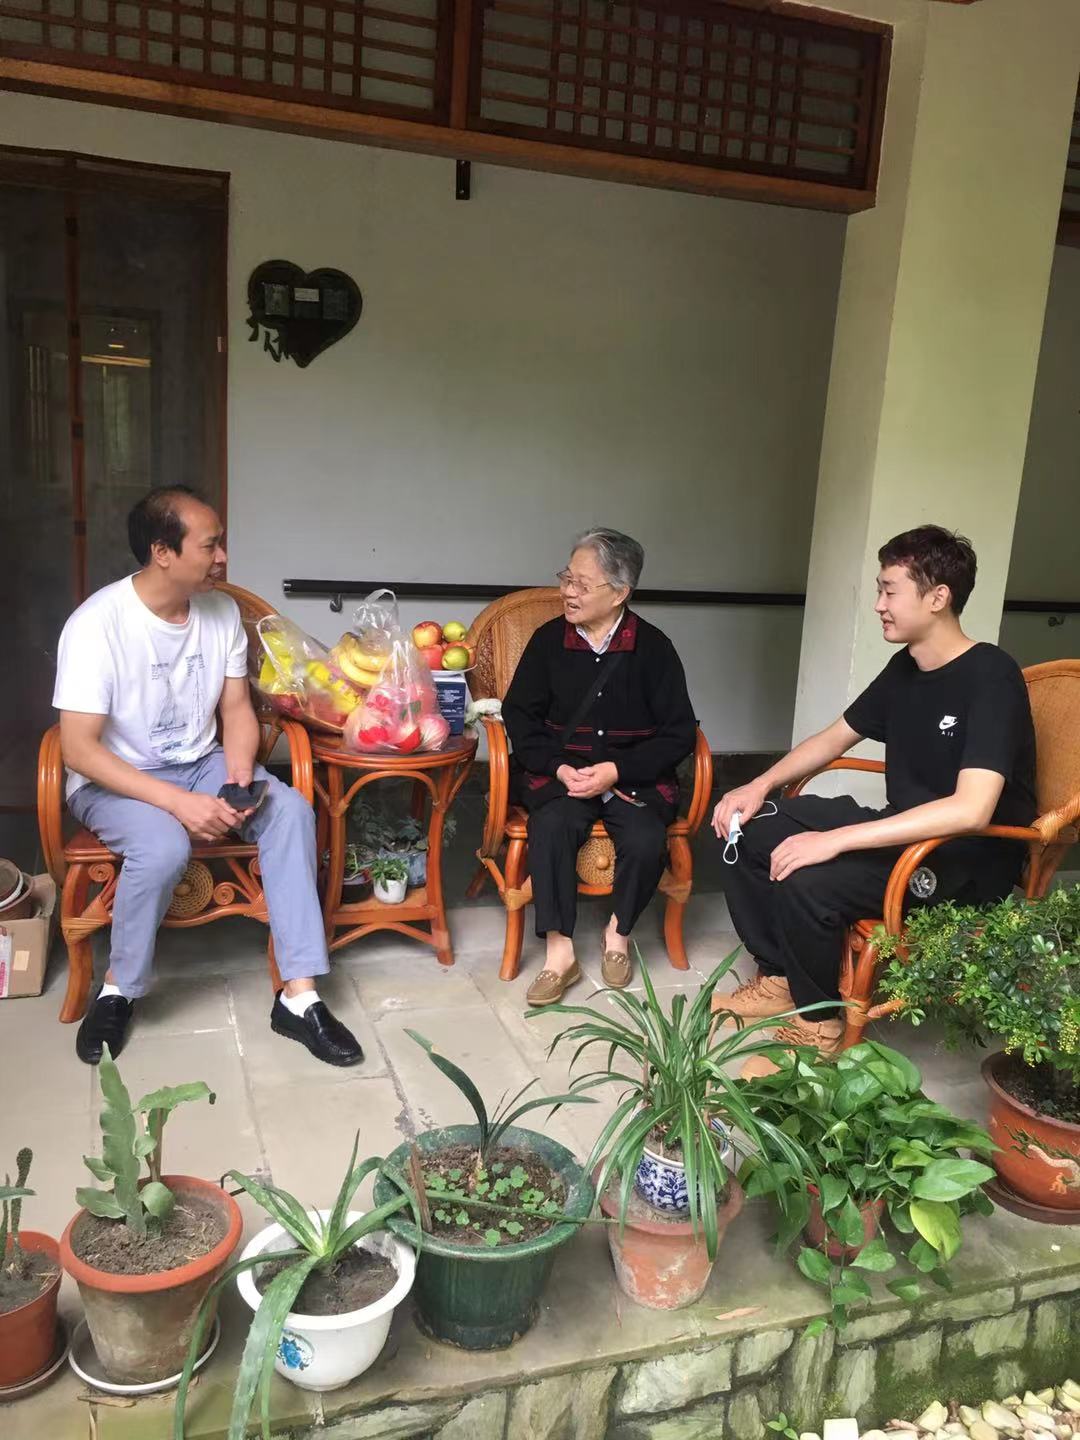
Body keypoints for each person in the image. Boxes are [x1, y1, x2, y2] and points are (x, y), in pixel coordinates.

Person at [53, 485, 364, 1068]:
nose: (223, 557)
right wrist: (177, 803)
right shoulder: (97, 625)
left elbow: (237, 710)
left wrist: (238, 777)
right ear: (162, 552)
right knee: (163, 845)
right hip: (115, 778)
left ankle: (298, 997)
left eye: (222, 544)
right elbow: (78, 750)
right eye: (210, 545)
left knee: (290, 812)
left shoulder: (219, 612)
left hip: (201, 763)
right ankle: (119, 989)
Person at [713, 525, 1036, 1077]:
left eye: (890, 591)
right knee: (747, 823)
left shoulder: (991, 676)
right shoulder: (906, 667)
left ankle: (819, 1023)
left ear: (938, 597)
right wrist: (758, 784)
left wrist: (835, 840)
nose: (879, 605)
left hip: (961, 861)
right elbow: (834, 739)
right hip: (903, 831)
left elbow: (972, 809)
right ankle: (782, 976)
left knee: (807, 877)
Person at [503, 528, 697, 1005]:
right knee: (552, 826)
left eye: (582, 584)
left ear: (620, 593)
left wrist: (617, 770)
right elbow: (519, 715)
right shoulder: (548, 641)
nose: (567, 591)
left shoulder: (654, 649)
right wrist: (557, 766)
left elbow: (678, 733)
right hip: (563, 774)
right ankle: (559, 953)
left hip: (631, 779)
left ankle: (618, 934)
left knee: (646, 837)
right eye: (566, 578)